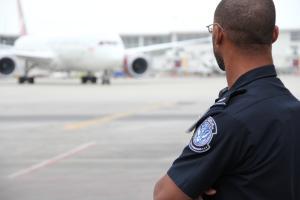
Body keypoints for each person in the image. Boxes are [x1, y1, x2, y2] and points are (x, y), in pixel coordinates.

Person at [153, 0, 300, 199]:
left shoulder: (231, 119)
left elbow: (165, 195)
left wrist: (200, 186)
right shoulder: (294, 109)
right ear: (274, 34)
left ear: (218, 35)